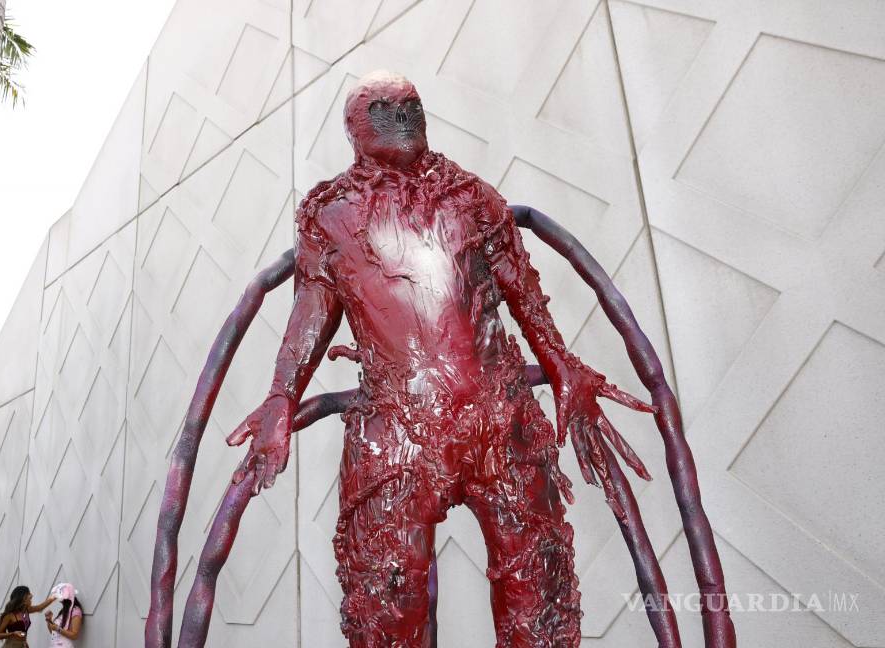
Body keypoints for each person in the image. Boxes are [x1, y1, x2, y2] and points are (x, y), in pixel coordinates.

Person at [227, 71, 653, 647]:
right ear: (354, 127)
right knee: (386, 617)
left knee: (541, 607)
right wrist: (280, 398)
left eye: (409, 106)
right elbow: (312, 308)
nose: (400, 115)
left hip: (501, 424)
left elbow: (521, 288)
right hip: (396, 437)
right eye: (383, 108)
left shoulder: (473, 197)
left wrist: (564, 367)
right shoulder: (331, 214)